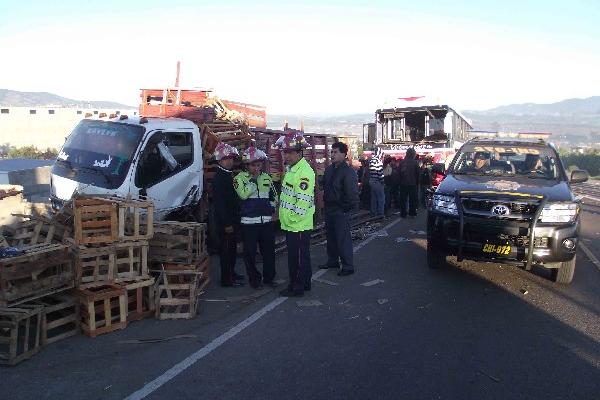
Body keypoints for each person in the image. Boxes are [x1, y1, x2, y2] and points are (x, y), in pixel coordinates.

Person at [275, 131, 316, 297]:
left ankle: (297, 287)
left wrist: (291, 219)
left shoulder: (303, 172)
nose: (287, 155)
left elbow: (302, 202)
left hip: (297, 224)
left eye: (290, 152)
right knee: (300, 256)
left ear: (299, 152)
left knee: (296, 258)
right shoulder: (293, 169)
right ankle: (304, 283)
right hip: (293, 224)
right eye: (285, 152)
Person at [234, 147, 278, 289]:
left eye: (259, 165)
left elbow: (274, 196)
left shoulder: (266, 177)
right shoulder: (239, 179)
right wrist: (252, 181)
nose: (257, 168)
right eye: (253, 165)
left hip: (266, 222)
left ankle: (269, 279)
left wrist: (271, 207)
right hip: (249, 224)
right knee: (250, 255)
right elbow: (243, 195)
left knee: (269, 253)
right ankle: (255, 280)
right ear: (246, 165)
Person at [319, 141, 359, 276]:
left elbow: (352, 192)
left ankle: (348, 266)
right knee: (331, 237)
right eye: (332, 151)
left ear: (344, 154)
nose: (332, 154)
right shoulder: (329, 169)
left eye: (336, 152)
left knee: (343, 238)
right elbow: (325, 185)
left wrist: (346, 208)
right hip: (329, 208)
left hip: (341, 210)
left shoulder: (348, 172)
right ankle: (332, 260)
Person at [212, 142, 244, 287]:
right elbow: (220, 204)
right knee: (225, 251)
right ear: (219, 160)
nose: (229, 161)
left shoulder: (227, 175)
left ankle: (232, 272)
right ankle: (227, 279)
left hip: (232, 219)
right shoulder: (219, 178)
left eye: (231, 158)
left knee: (231, 249)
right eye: (226, 158)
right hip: (226, 223)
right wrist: (227, 224)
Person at [398, 147, 420, 218]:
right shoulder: (415, 163)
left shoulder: (402, 162)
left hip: (403, 183)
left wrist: (400, 181)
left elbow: (399, 173)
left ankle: (403, 213)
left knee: (403, 199)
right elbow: (418, 174)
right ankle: (412, 213)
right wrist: (417, 182)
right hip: (413, 184)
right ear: (413, 154)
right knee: (412, 199)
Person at [369, 147, 385, 217]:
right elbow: (380, 173)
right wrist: (383, 182)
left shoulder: (371, 160)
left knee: (374, 198)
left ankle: (373, 212)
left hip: (371, 180)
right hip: (377, 181)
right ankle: (380, 213)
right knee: (381, 198)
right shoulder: (378, 161)